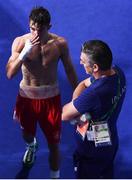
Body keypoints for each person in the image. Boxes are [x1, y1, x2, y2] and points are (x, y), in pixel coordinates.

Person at [6, 6, 78, 178]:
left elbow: (69, 70)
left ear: (49, 27)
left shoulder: (60, 44)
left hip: (50, 100)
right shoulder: (20, 42)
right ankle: (31, 146)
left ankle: (55, 176)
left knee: (54, 144)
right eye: (32, 28)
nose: (35, 33)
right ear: (29, 25)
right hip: (26, 99)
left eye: (40, 29)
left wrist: (78, 97)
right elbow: (9, 74)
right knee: (27, 135)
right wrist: (24, 53)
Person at [62, 40, 126, 179]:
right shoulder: (118, 73)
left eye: (83, 61)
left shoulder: (94, 93)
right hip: (109, 140)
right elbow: (84, 83)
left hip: (90, 150)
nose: (80, 63)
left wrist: (76, 105)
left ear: (95, 67)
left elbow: (64, 114)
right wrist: (77, 102)